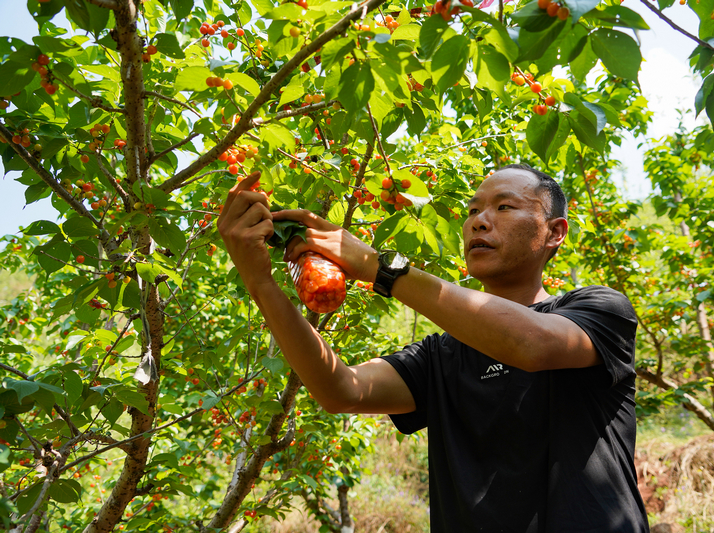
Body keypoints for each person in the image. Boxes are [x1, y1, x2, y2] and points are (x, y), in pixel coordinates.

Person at [218, 164, 650, 533]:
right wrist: (261, 282)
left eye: (504, 206)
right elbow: (340, 389)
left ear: (554, 232)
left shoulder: (600, 309)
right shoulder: (440, 356)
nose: (480, 220)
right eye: (473, 211)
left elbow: (532, 344)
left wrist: (378, 266)